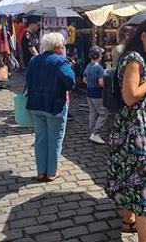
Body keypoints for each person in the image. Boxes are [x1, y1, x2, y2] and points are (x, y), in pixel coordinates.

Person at [106, 18, 146, 242]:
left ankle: (129, 220)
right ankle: (144, 238)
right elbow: (130, 96)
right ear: (143, 36)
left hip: (130, 126)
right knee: (145, 179)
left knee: (130, 174)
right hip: (134, 128)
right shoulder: (134, 59)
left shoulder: (134, 56)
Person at [25, 32, 75, 182]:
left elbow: (28, 79)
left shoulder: (34, 60)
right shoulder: (60, 62)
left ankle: (41, 171)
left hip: (36, 104)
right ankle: (52, 172)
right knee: (55, 139)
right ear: (58, 46)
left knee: (41, 138)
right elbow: (71, 82)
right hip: (54, 105)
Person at [83, 46, 108, 145]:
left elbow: (84, 80)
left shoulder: (88, 66)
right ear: (99, 56)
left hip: (89, 92)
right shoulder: (99, 68)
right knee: (103, 113)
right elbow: (101, 83)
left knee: (93, 112)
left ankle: (92, 131)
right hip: (97, 93)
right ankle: (95, 133)